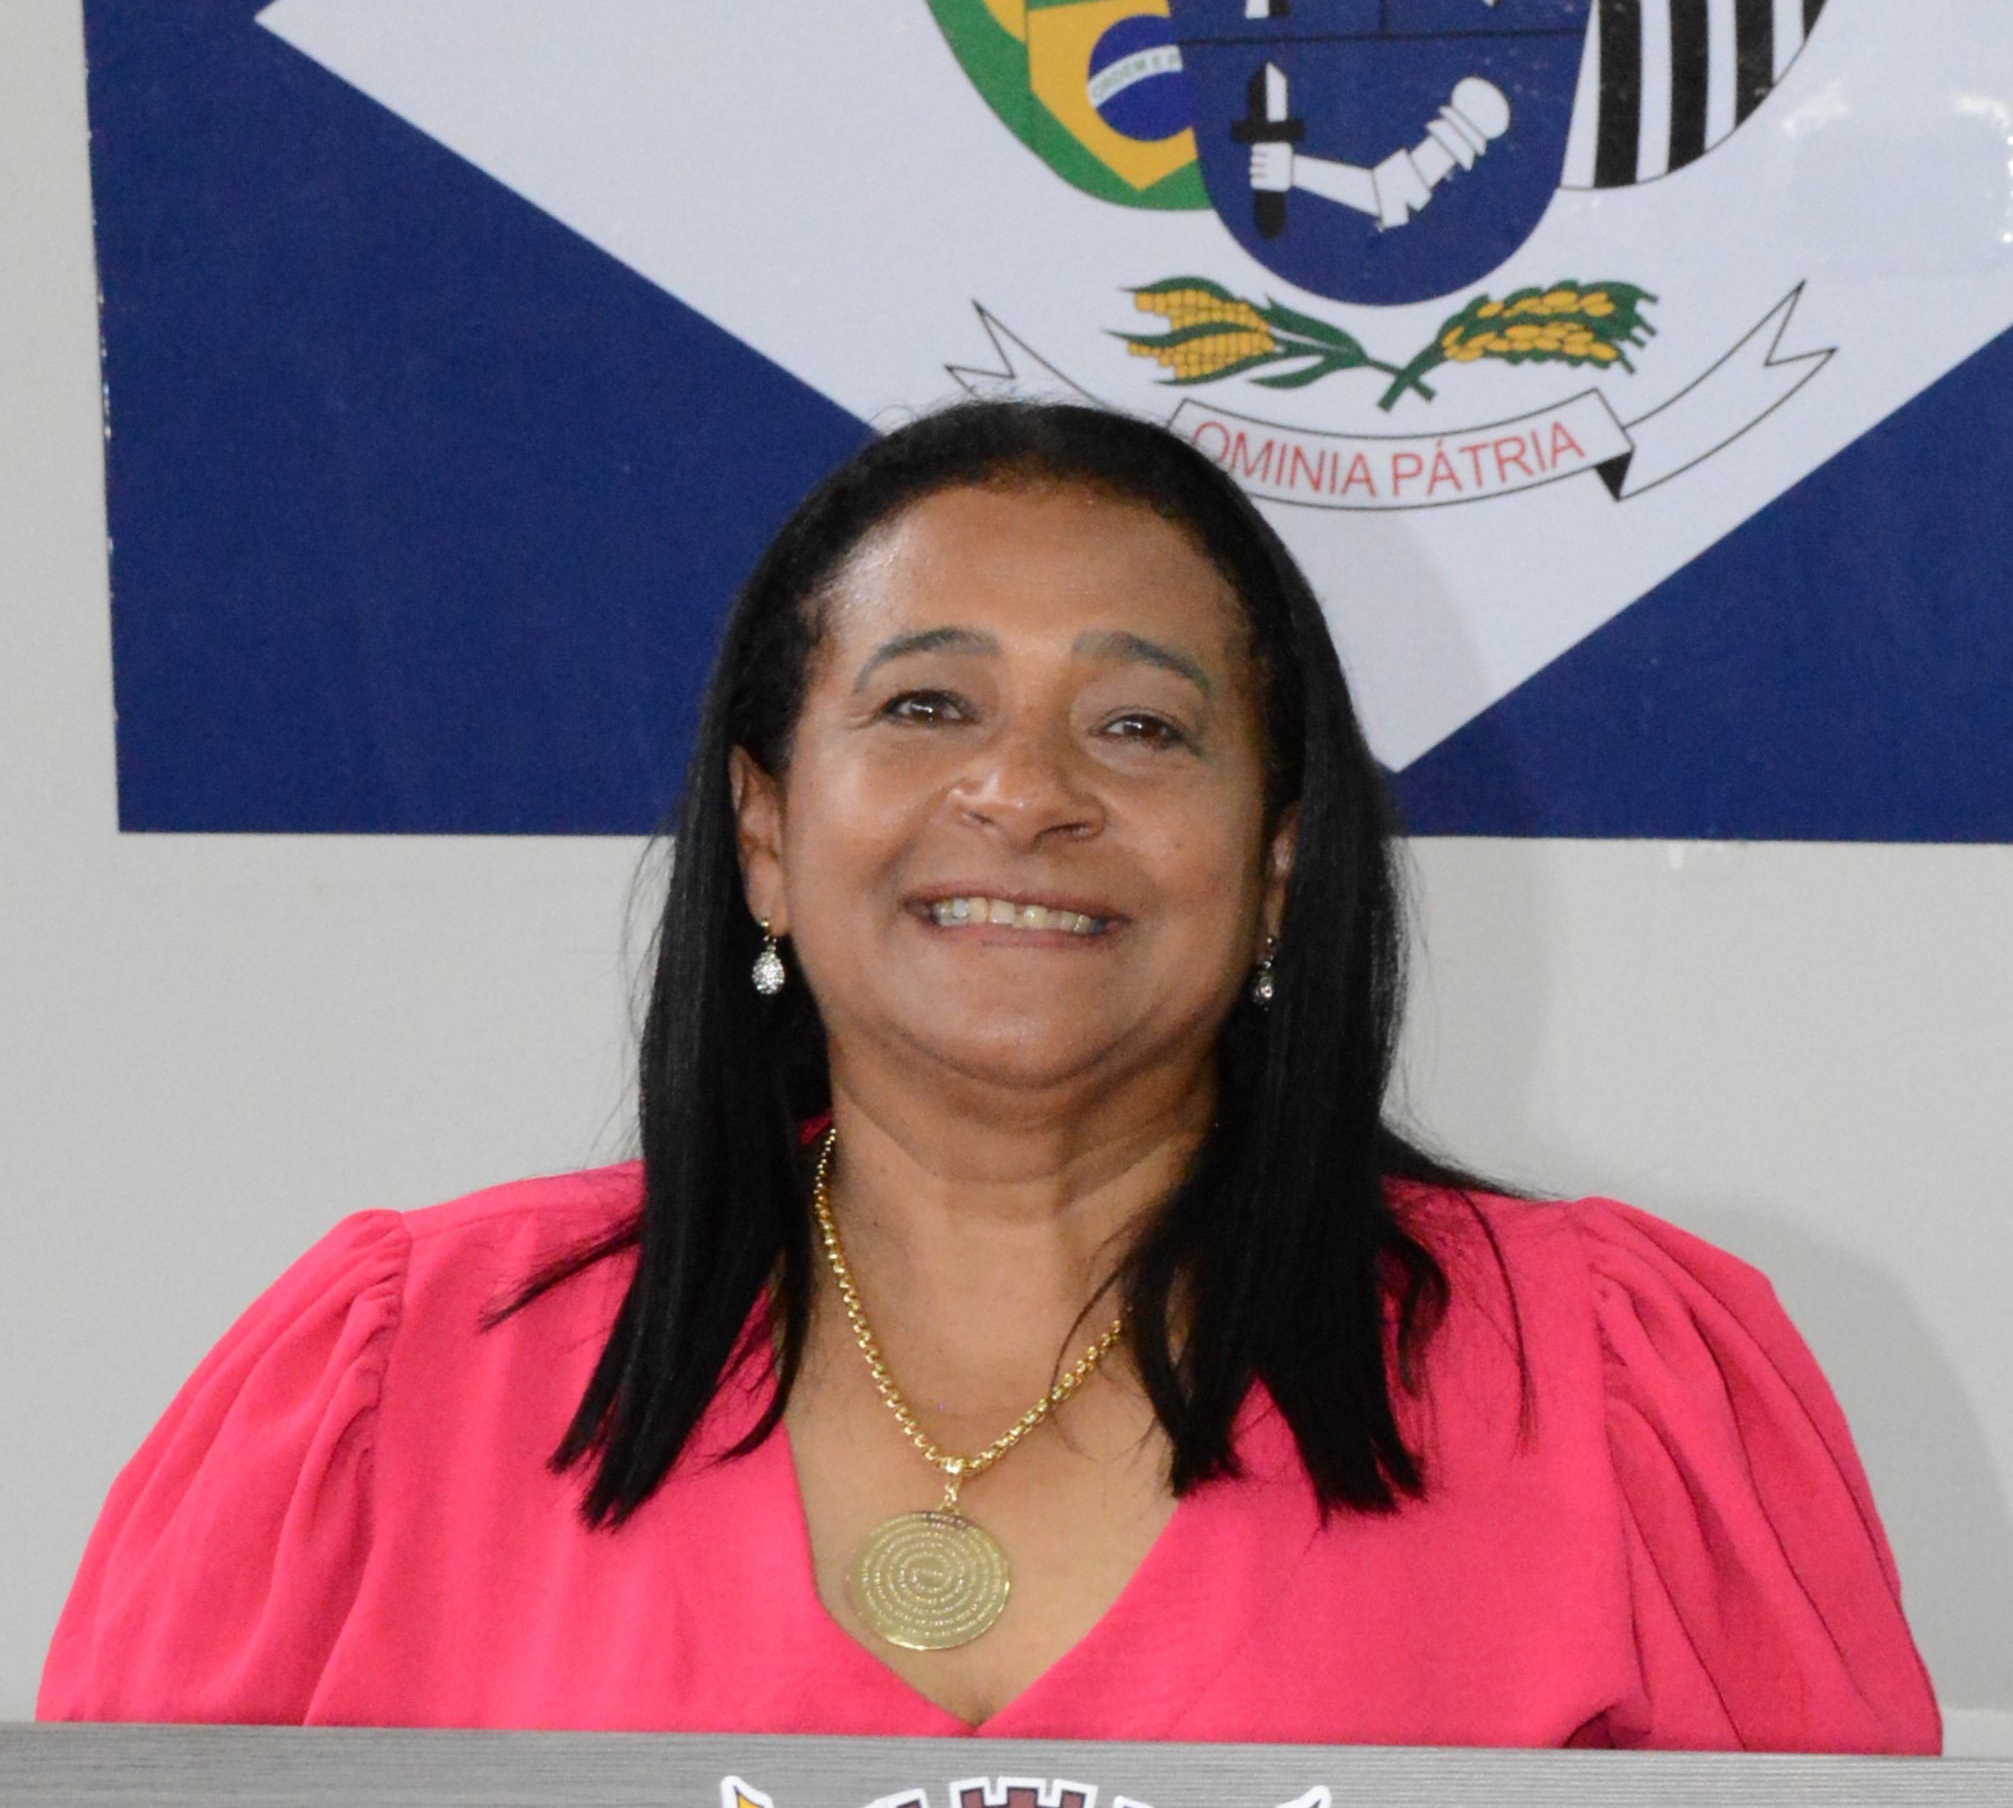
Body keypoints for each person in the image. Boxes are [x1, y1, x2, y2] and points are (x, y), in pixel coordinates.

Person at [39, 401, 1938, 1748]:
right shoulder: (388, 1385)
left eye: (1140, 725)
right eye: (925, 703)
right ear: (765, 830)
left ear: (1278, 861)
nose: (1023, 792)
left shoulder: (1612, 1393)